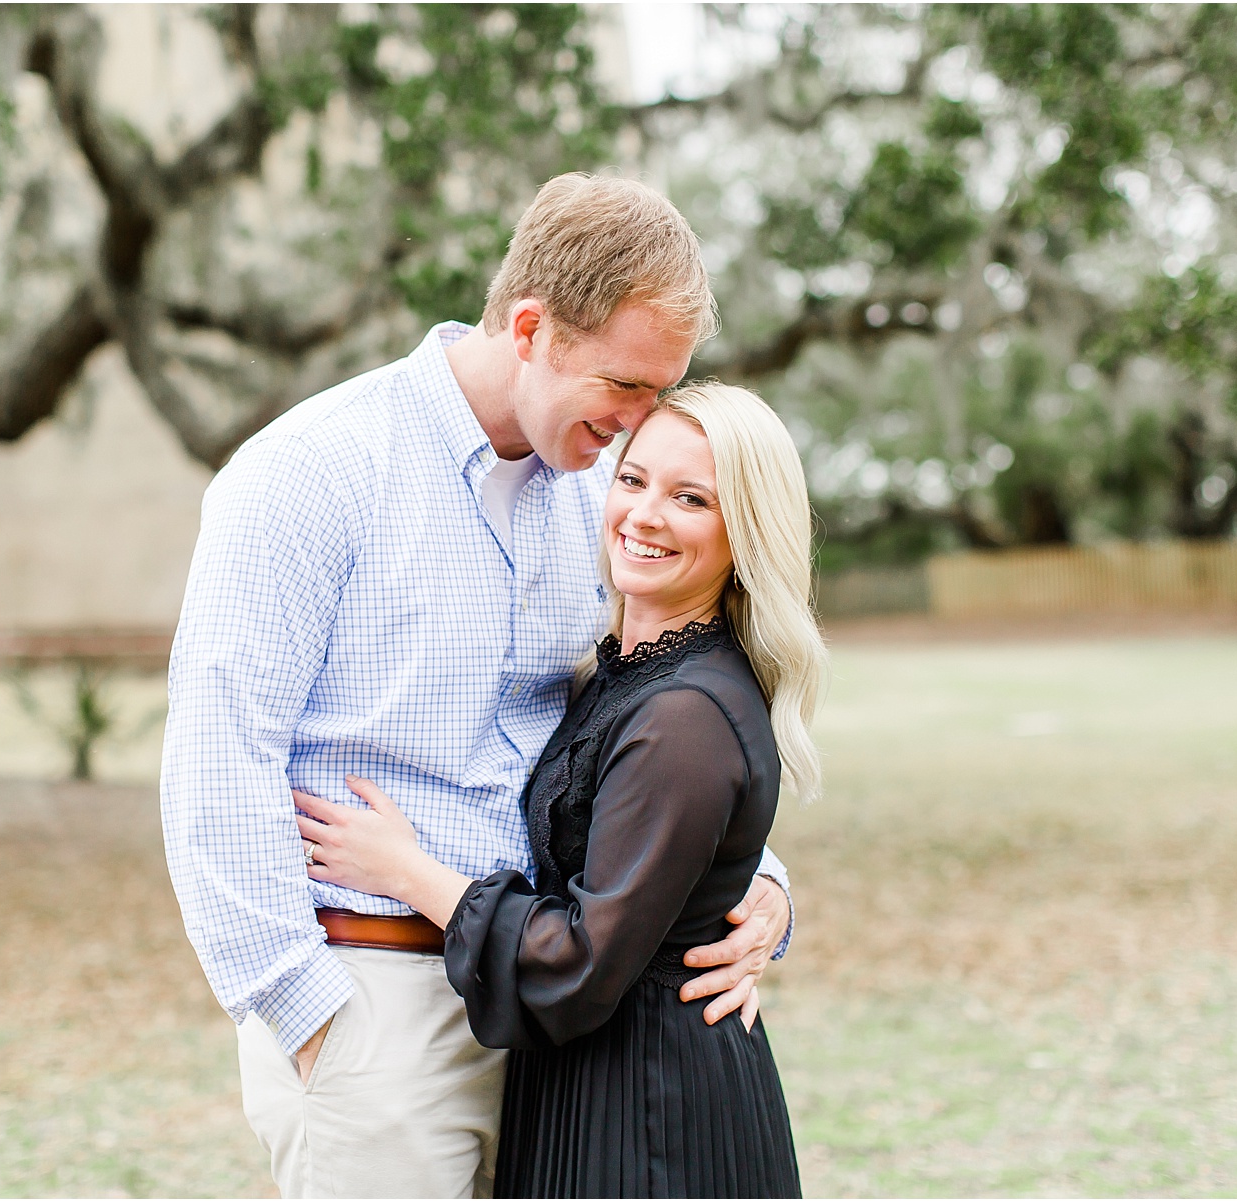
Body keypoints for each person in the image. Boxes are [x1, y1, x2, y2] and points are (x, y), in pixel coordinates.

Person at [160, 174, 797, 1199]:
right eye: (627, 387)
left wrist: (755, 876)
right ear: (534, 328)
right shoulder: (311, 473)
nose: (643, 424)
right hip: (374, 1004)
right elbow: (215, 755)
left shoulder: (605, 488)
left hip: (559, 1023)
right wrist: (306, 1009)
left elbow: (639, 718)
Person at [296, 383, 824, 1197]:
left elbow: (579, 959)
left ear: (743, 532)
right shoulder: (625, 673)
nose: (644, 515)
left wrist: (407, 872)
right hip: (594, 1085)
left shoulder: (685, 714)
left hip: (650, 1114)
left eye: (691, 498)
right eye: (632, 479)